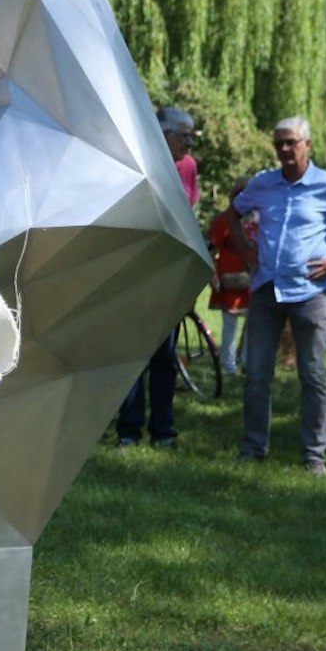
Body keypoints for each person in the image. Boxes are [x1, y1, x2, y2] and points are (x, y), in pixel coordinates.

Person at [232, 116, 326, 476]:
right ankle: (254, 448)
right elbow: (234, 212)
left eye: (291, 142)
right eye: (279, 144)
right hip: (267, 288)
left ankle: (314, 455)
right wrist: (245, 250)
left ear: (307, 145)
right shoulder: (263, 184)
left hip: (311, 292)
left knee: (313, 376)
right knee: (256, 374)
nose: (285, 150)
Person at [112, 107, 200, 447]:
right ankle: (128, 431)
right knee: (133, 353)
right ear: (163, 135)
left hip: (171, 271)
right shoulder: (138, 162)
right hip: (136, 271)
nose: (190, 143)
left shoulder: (188, 167)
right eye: (184, 135)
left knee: (165, 356)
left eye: (192, 135)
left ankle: (163, 431)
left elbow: (186, 217)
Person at [205, 184, 252, 375]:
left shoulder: (257, 220)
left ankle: (248, 363)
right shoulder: (224, 220)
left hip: (253, 280)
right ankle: (229, 365)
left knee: (254, 325)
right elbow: (211, 248)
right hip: (231, 280)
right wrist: (212, 275)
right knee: (230, 325)